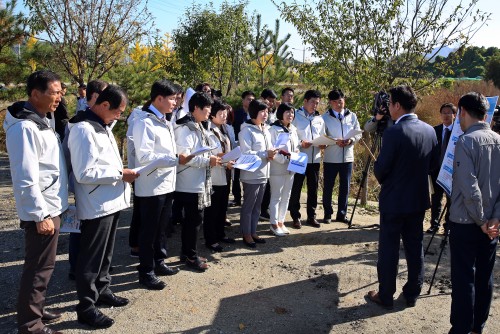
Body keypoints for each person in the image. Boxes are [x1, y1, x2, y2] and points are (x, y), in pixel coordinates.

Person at [67, 85, 139, 329]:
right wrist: (121, 174)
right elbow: (84, 172)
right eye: (118, 111)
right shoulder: (83, 129)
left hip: (111, 200)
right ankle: (86, 307)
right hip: (97, 203)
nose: (119, 116)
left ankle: (103, 289)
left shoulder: (102, 125)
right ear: (104, 105)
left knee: (106, 254)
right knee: (91, 257)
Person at [4, 70, 68, 334]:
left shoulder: (42, 120)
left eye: (61, 93)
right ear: (35, 94)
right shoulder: (25, 127)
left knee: (46, 265)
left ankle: (37, 309)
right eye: (55, 93)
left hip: (52, 204)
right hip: (42, 210)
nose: (59, 99)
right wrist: (39, 215)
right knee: (38, 268)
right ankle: (30, 324)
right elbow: (25, 177)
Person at [368, 85, 438, 309]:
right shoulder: (429, 131)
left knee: (388, 248)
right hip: (418, 199)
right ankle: (412, 293)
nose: (388, 107)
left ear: (397, 105)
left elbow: (381, 170)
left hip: (394, 201)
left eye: (390, 103)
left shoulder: (394, 132)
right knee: (414, 246)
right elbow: (433, 166)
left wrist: (381, 171)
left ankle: (385, 294)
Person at [448, 92, 500, 334]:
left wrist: (481, 221)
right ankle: (478, 325)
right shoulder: (499, 140)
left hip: (467, 222)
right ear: (485, 114)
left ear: (462, 112)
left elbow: (470, 189)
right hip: (492, 225)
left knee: (464, 278)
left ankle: (461, 328)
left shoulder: (466, 142)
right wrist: (495, 219)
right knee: (484, 276)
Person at [132, 79, 184, 290]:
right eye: (172, 99)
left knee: (162, 228)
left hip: (166, 183)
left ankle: (159, 261)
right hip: (151, 186)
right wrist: (174, 158)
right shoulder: (144, 122)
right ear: (159, 98)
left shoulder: (164, 120)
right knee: (149, 231)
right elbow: (144, 156)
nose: (175, 103)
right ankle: (146, 271)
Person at [66, 79, 109, 280]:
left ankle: (93, 268)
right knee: (80, 226)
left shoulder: (102, 122)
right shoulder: (80, 123)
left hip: (98, 186)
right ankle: (77, 266)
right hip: (83, 183)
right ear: (93, 97)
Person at [175, 92, 221, 271]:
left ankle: (187, 252)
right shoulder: (185, 128)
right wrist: (207, 161)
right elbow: (185, 157)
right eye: (207, 108)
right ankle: (191, 256)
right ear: (195, 108)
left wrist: (211, 158)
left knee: (193, 220)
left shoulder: (199, 125)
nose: (209, 112)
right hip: (189, 181)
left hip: (198, 180)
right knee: (193, 220)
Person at [238, 99, 277, 247]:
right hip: (251, 174)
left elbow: (268, 148)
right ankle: (246, 234)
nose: (265, 114)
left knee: (257, 207)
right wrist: (264, 153)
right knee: (248, 206)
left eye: (267, 111)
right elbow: (246, 152)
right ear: (254, 112)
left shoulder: (266, 129)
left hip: (264, 173)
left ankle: (253, 232)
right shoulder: (246, 130)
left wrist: (272, 153)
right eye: (262, 111)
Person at [322, 89, 361, 224]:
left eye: (340, 101)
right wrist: (334, 140)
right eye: (334, 102)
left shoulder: (352, 116)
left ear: (344, 100)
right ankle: (327, 213)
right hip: (331, 157)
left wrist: (351, 141)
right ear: (330, 103)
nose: (338, 104)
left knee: (345, 187)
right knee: (328, 186)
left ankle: (342, 214)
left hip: (347, 157)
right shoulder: (324, 118)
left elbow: (358, 133)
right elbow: (322, 136)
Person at [289, 90, 326, 229]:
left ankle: (312, 216)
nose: (315, 105)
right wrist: (300, 143)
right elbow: (290, 136)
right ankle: (295, 217)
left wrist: (324, 144)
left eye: (317, 103)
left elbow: (323, 136)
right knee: (296, 188)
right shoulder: (296, 116)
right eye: (312, 102)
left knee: (313, 189)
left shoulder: (319, 119)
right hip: (299, 157)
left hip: (315, 158)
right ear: (305, 101)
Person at [203, 100, 236, 251]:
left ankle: (220, 233)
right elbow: (212, 154)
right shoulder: (209, 132)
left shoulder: (224, 130)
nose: (224, 116)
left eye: (225, 113)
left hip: (225, 173)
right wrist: (226, 160)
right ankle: (211, 239)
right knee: (213, 209)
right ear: (212, 116)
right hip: (215, 175)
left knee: (222, 207)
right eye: (220, 113)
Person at [268, 103, 300, 236]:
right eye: (287, 112)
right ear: (280, 113)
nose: (290, 115)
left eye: (292, 112)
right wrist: (286, 159)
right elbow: (273, 151)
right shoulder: (273, 130)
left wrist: (296, 154)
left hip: (291, 168)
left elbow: (296, 146)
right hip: (277, 168)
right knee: (276, 196)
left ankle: (281, 222)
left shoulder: (293, 129)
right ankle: (273, 223)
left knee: (286, 196)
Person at [427, 103, 456, 234]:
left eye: (448, 112)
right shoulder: (435, 130)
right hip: (436, 170)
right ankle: (434, 224)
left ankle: (448, 226)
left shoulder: (458, 131)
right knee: (436, 199)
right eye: (443, 112)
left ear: (454, 115)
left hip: (451, 172)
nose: (446, 115)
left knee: (450, 201)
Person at [232, 90, 256, 206]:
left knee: (248, 174)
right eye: (248, 99)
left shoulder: (255, 115)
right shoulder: (236, 113)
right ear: (243, 100)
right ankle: (237, 197)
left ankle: (248, 197)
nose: (251, 101)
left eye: (252, 100)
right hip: (238, 147)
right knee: (236, 174)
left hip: (250, 149)